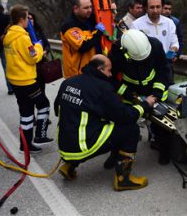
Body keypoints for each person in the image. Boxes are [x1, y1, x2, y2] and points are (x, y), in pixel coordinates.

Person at [55, 54, 156, 191]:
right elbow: (125, 116)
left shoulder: (68, 82)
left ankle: (69, 166)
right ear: (100, 69)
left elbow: (57, 110)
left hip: (64, 146)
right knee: (131, 129)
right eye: (109, 70)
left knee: (86, 125)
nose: (110, 75)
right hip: (81, 147)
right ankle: (123, 180)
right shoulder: (102, 88)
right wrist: (145, 105)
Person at [106, 29, 171, 165]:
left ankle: (164, 150)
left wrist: (157, 93)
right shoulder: (117, 52)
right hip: (131, 92)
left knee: (161, 125)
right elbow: (110, 77)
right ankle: (116, 153)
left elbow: (163, 70)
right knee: (124, 124)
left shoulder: (155, 45)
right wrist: (127, 93)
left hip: (155, 90)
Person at [3, 4, 53, 154]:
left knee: (26, 112)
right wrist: (38, 46)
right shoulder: (23, 37)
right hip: (27, 81)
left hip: (15, 81)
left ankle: (25, 145)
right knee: (44, 104)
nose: (28, 22)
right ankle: (40, 136)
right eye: (27, 18)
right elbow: (33, 58)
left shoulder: (8, 35)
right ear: (21, 19)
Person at [132, 0, 179, 85]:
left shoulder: (169, 23)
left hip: (165, 67)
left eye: (158, 7)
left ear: (162, 7)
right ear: (146, 8)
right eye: (152, 7)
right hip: (146, 69)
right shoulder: (136, 25)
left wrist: (169, 55)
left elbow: (174, 44)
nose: (155, 10)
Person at [60, 0, 105, 78]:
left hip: (93, 69)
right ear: (76, 9)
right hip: (76, 74)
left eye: (91, 7)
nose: (90, 10)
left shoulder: (90, 20)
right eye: (86, 8)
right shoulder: (69, 26)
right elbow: (83, 46)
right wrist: (98, 33)